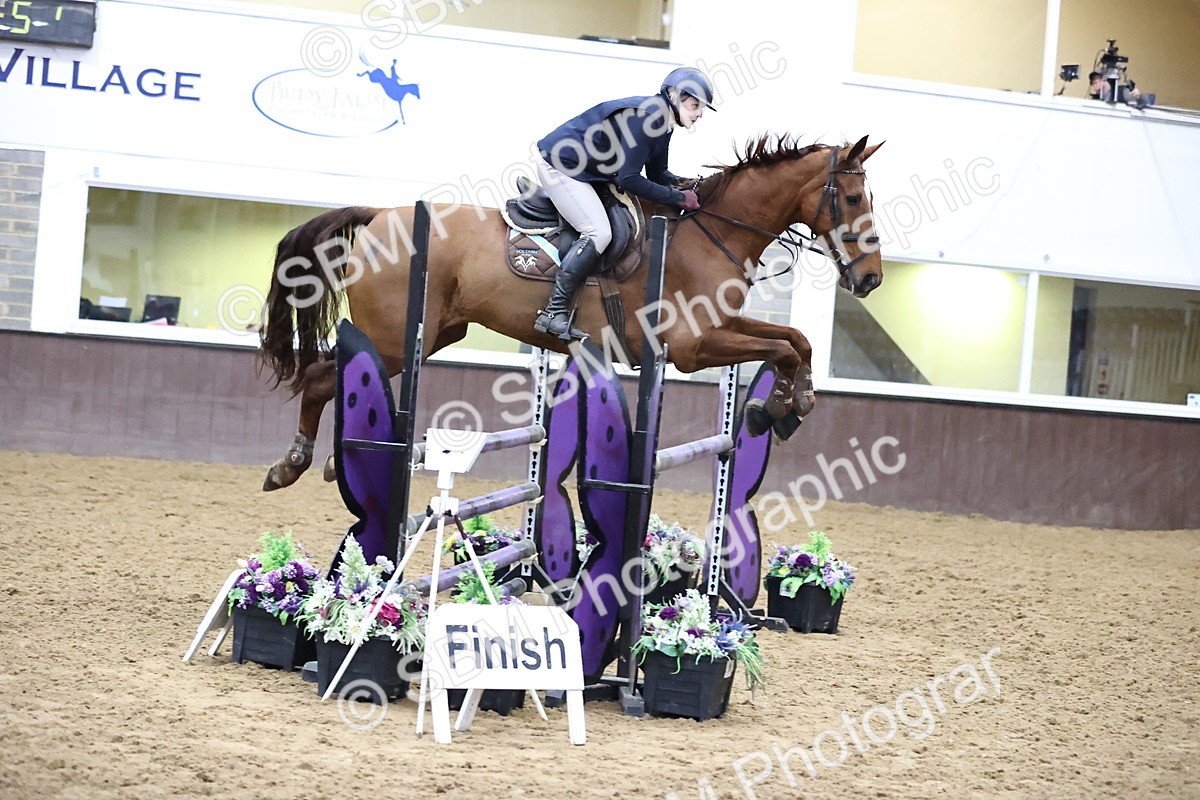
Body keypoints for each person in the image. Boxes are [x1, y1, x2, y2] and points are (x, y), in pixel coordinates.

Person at [531, 67, 715, 341]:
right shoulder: (647, 119)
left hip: (589, 170)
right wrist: (677, 198)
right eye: (695, 105)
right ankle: (553, 311)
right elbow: (629, 179)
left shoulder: (663, 122)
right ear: (674, 97)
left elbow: (656, 174)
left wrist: (687, 185)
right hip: (561, 166)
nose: (699, 113)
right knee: (599, 232)